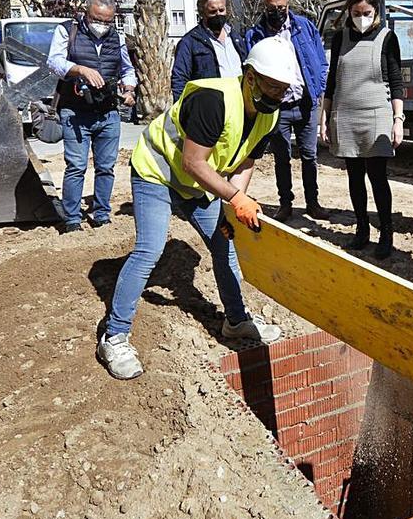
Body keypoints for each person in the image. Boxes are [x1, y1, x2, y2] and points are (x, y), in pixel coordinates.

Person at [98, 36, 297, 380]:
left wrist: (237, 201)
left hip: (198, 184)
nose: (277, 96)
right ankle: (114, 336)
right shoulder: (213, 99)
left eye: (283, 90)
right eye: (272, 87)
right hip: (158, 172)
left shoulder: (269, 113)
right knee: (150, 248)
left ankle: (235, 321)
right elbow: (193, 162)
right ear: (250, 76)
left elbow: (247, 159)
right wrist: (235, 198)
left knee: (225, 244)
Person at [320, 0, 404, 260]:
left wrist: (398, 119)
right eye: (356, 12)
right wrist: (325, 117)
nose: (361, 17)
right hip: (346, 115)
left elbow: (396, 81)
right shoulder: (341, 36)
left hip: (377, 115)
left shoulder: (387, 38)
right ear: (349, 11)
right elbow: (332, 80)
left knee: (378, 178)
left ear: (376, 10)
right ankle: (362, 229)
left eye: (367, 12)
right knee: (355, 178)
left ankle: (386, 233)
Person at [47, 0, 138, 233]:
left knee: (106, 167)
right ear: (86, 14)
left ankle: (101, 214)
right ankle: (72, 219)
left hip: (108, 113)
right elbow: (53, 62)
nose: (103, 25)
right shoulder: (68, 31)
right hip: (76, 113)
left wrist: (129, 90)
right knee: (76, 166)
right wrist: (79, 69)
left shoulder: (116, 38)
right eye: (98, 19)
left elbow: (128, 69)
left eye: (108, 21)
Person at [245, 0, 331, 222]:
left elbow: (321, 61)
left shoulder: (304, 27)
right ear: (265, 7)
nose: (277, 12)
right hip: (277, 108)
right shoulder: (255, 34)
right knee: (282, 157)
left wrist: (318, 87)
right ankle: (285, 204)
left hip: (305, 103)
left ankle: (313, 203)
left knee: (309, 156)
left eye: (281, 8)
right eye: (272, 8)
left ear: (288, 6)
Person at [171, 0, 247, 104]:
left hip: (238, 104)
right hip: (209, 108)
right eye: (213, 12)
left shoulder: (235, 38)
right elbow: (179, 79)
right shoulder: (189, 42)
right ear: (202, 13)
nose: (218, 15)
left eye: (221, 10)